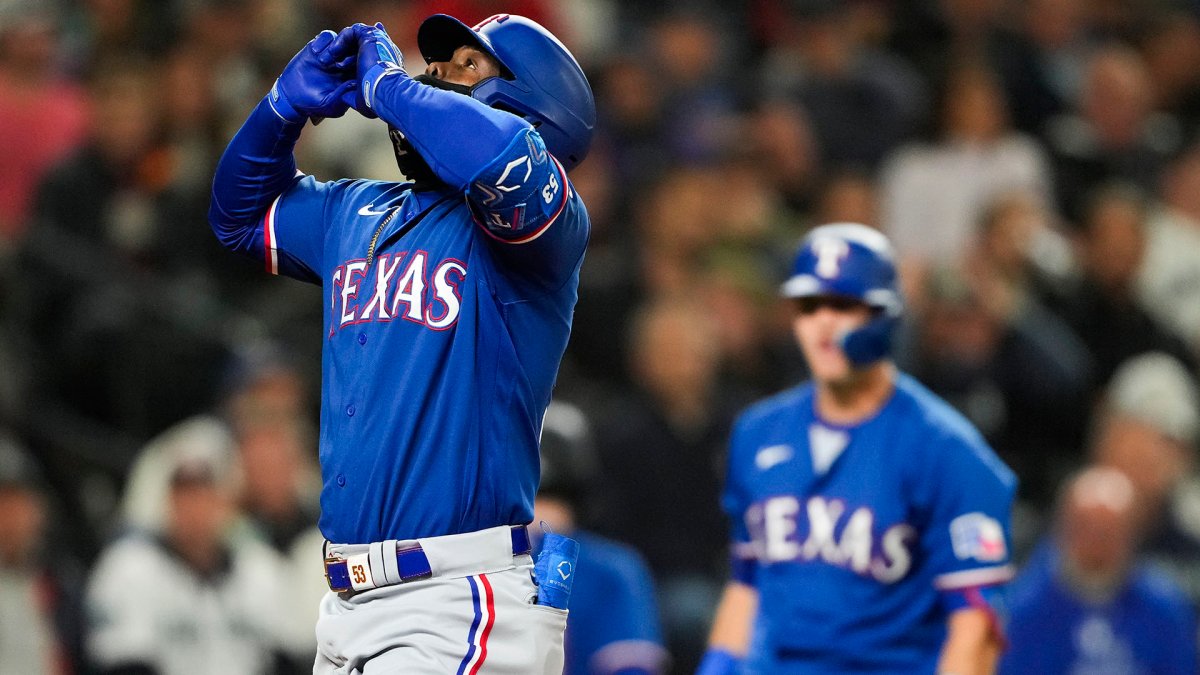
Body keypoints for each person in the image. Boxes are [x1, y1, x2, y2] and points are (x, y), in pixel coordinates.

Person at [208, 12, 595, 674]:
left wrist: (388, 87)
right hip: (347, 605)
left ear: (535, 106)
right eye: (440, 63)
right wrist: (281, 108)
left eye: (469, 65)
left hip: (458, 599)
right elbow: (237, 218)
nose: (439, 72)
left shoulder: (544, 226)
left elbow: (498, 157)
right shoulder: (356, 211)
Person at [700, 223, 1018, 674]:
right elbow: (748, 585)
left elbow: (976, 626)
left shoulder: (949, 451)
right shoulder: (757, 433)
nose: (824, 322)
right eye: (809, 306)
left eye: (845, 305)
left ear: (886, 317)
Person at [999, 466, 1197, 674]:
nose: (1096, 545)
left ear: (1133, 534)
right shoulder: (1024, 609)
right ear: (1062, 528)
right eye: (1085, 528)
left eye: (1109, 532)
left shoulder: (1164, 608)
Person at [534, 400, 669, 675]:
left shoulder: (610, 569)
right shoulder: (466, 563)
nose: (537, 518)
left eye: (553, 497)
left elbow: (633, 670)